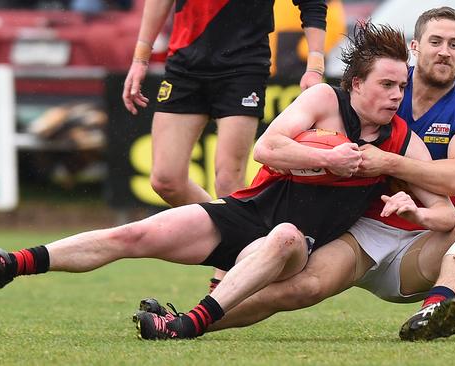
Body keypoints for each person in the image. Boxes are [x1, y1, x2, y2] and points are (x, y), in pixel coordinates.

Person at [0, 24, 455, 340]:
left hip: (296, 245)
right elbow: (267, 149)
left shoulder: (399, 140)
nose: (397, 95)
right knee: (134, 234)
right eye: (387, 85)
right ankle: (11, 265)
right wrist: (328, 158)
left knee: (284, 235)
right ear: (356, 85)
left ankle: (189, 324)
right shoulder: (323, 102)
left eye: (400, 86)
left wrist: (414, 210)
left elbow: (447, 212)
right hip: (245, 214)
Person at [138, 7, 455, 342]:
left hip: (426, 241)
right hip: (359, 232)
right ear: (415, 46)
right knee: (298, 289)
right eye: (436, 41)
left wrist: (389, 163)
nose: (444, 51)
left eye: (454, 44)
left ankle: (436, 306)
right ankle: (185, 322)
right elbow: (294, 137)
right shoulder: (385, 81)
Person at [121, 0, 328, 291]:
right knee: (165, 180)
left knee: (228, 178)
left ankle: (224, 278)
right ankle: (247, 241)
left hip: (243, 67)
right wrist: (140, 59)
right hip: (184, 64)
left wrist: (315, 65)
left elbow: (312, 4)